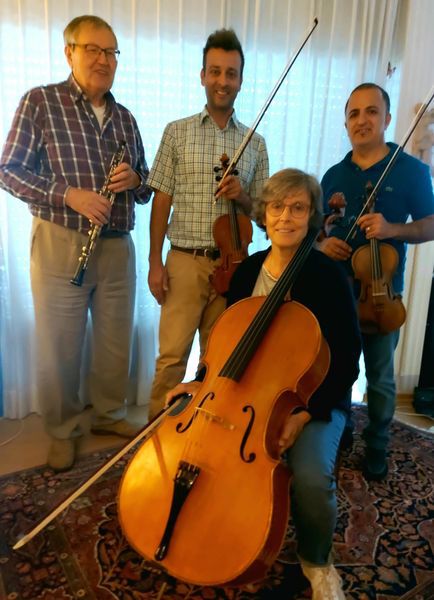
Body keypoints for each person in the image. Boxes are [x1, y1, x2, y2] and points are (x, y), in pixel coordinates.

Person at [167, 169, 361, 600]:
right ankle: (215, 525)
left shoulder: (328, 276)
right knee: (193, 439)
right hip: (245, 391)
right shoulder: (248, 271)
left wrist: (307, 413)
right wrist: (200, 382)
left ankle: (317, 561)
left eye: (298, 208)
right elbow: (227, 340)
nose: (285, 217)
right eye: (277, 207)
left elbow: (348, 359)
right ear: (264, 215)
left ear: (311, 217)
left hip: (311, 396)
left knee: (311, 477)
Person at [0, 15, 151, 471]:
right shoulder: (41, 102)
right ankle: (62, 429)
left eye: (111, 52)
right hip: (61, 240)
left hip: (117, 245)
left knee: (114, 343)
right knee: (59, 346)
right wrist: (69, 195)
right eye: (93, 49)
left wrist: (135, 180)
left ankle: (109, 414)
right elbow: (8, 170)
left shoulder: (126, 118)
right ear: (70, 52)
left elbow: (146, 185)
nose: (104, 60)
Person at [146, 28, 269, 419]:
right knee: (171, 358)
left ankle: (204, 436)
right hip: (185, 260)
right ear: (202, 75)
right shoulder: (176, 131)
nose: (222, 81)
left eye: (231, 73)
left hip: (234, 267)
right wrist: (154, 261)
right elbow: (161, 199)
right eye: (215, 71)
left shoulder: (255, 143)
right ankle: (157, 438)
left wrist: (242, 196)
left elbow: (264, 214)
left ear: (241, 80)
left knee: (219, 361)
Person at [319, 83, 434, 481]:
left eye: (371, 111)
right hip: (338, 294)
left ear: (386, 118)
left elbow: (431, 224)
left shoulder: (412, 171)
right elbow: (319, 228)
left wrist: (392, 229)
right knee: (337, 371)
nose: (362, 120)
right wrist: (324, 243)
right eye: (354, 113)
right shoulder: (334, 175)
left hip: (382, 295)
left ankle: (378, 446)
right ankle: (339, 433)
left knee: (381, 379)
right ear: (346, 123)